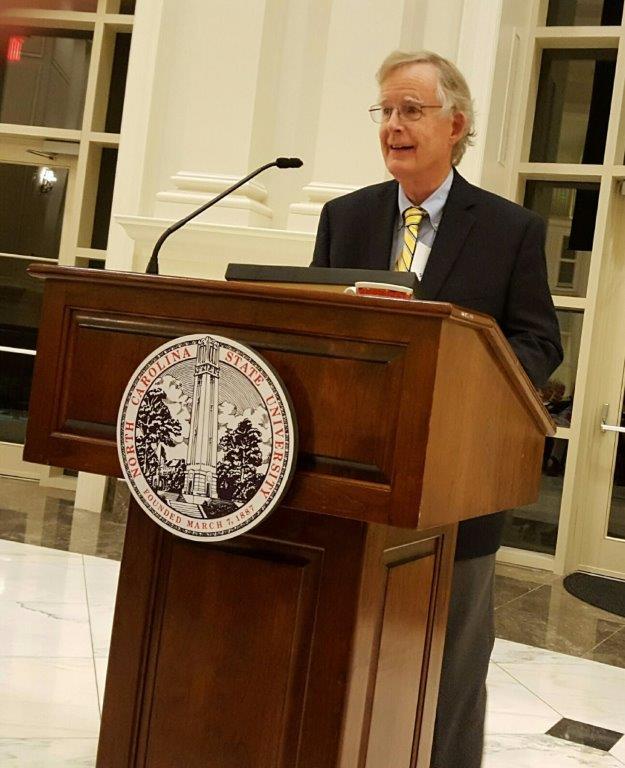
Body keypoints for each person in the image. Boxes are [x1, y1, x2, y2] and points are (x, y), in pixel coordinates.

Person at [312, 50, 563, 768]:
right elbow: (320, 325)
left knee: (451, 668)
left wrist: (471, 390)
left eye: (411, 110)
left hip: (458, 485)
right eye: (385, 111)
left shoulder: (510, 229)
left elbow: (539, 341)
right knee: (351, 651)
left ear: (455, 125)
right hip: (356, 476)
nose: (393, 125)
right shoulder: (345, 217)